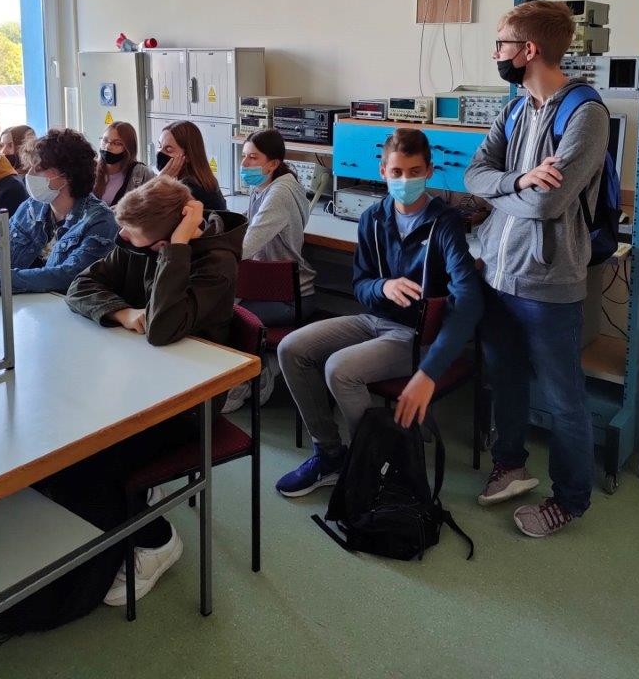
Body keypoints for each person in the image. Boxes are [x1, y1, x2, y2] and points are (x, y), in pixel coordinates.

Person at [65, 174, 247, 606]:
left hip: (189, 405)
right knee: (66, 442)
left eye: (132, 232)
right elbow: (79, 286)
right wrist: (122, 312)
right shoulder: (135, 243)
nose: (122, 237)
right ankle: (129, 506)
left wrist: (179, 248)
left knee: (92, 461)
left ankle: (158, 540)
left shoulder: (216, 264)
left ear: (164, 241)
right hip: (137, 385)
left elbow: (163, 329)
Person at [464, 0, 609, 538]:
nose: (496, 54)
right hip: (497, 275)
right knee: (505, 379)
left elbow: (550, 205)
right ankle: (510, 465)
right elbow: (474, 175)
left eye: (501, 44)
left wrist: (508, 190)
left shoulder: (585, 115)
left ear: (529, 50)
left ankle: (570, 499)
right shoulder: (515, 109)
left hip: (548, 282)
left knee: (564, 400)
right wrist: (520, 180)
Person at [275, 128, 483, 498]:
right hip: (374, 321)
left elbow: (469, 299)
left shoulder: (445, 223)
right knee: (291, 348)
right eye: (397, 172)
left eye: (415, 172)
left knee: (339, 370)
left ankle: (377, 466)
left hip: (415, 335)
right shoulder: (373, 218)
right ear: (383, 171)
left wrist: (429, 372)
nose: (405, 181)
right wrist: (383, 287)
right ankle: (330, 454)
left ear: (429, 171)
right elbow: (361, 285)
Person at [0, 128, 117, 295]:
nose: (29, 174)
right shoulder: (31, 207)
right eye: (31, 167)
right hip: (24, 306)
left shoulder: (100, 221)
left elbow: (66, 276)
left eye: (39, 169)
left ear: (68, 175)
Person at [223, 129, 316, 413]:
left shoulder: (279, 194)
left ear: (273, 163)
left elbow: (245, 247)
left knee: (226, 315)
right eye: (244, 156)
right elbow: (248, 227)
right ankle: (258, 368)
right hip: (269, 293)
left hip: (289, 298)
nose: (244, 163)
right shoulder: (266, 186)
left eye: (253, 157)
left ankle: (253, 376)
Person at [156, 120, 226, 212]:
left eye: (169, 150)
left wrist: (159, 182)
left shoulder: (189, 187)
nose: (160, 153)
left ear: (188, 156)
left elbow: (146, 214)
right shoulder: (202, 179)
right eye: (159, 146)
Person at [94, 121, 154, 208]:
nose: (108, 146)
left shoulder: (141, 173)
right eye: (105, 140)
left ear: (128, 148)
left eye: (117, 143)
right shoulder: (89, 169)